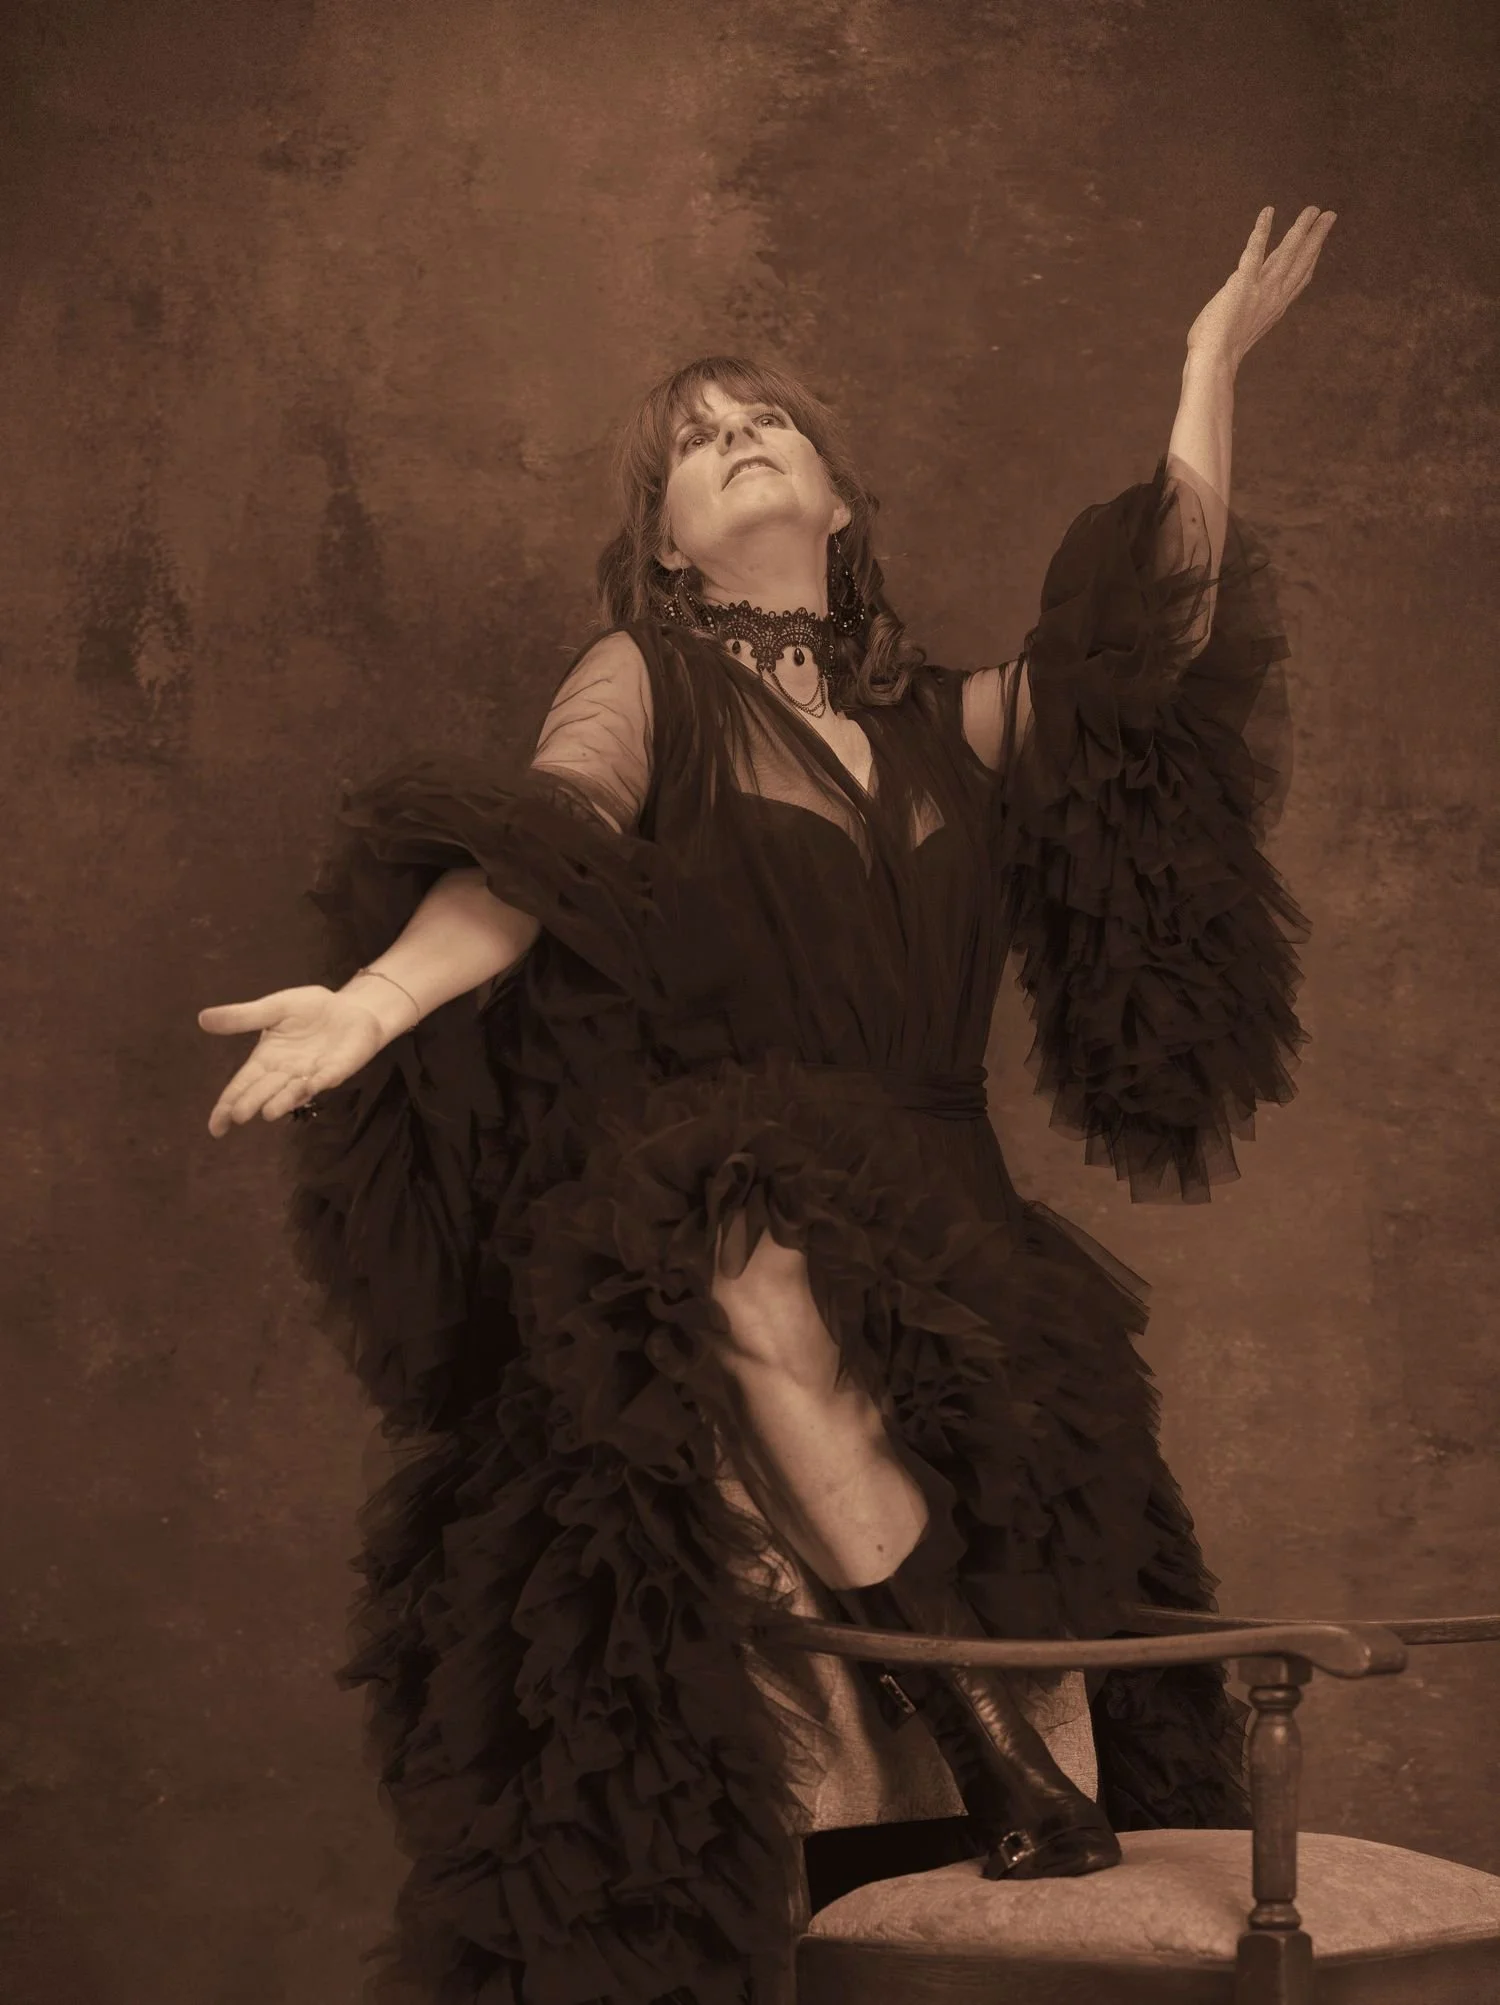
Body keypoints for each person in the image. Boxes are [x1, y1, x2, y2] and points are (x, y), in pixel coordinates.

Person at [199, 204, 1336, 2005]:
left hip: (947, 1202)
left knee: (1026, 1453)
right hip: (720, 1180)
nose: (736, 441)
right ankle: (984, 1743)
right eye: (695, 440)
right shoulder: (641, 679)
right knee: (741, 1229)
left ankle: (993, 1763)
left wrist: (1208, 369)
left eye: (767, 422)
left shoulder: (953, 724)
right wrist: (378, 998)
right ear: (663, 537)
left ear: (838, 501)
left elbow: (1154, 644)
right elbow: (543, 856)